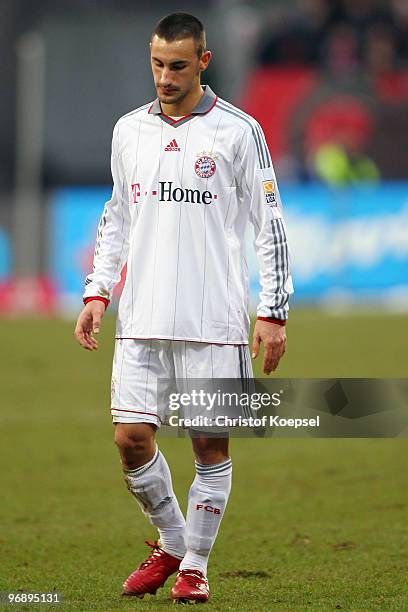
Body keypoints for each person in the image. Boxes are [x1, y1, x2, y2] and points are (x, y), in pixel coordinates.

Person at [74, 12, 293, 604]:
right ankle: (172, 539)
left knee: (209, 446)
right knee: (129, 439)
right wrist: (97, 292)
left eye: (176, 65)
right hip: (142, 318)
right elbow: (118, 217)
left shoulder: (238, 132)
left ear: (203, 61)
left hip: (213, 319)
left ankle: (195, 564)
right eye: (156, 65)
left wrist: (273, 310)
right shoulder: (129, 131)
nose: (164, 78)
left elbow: (268, 223)